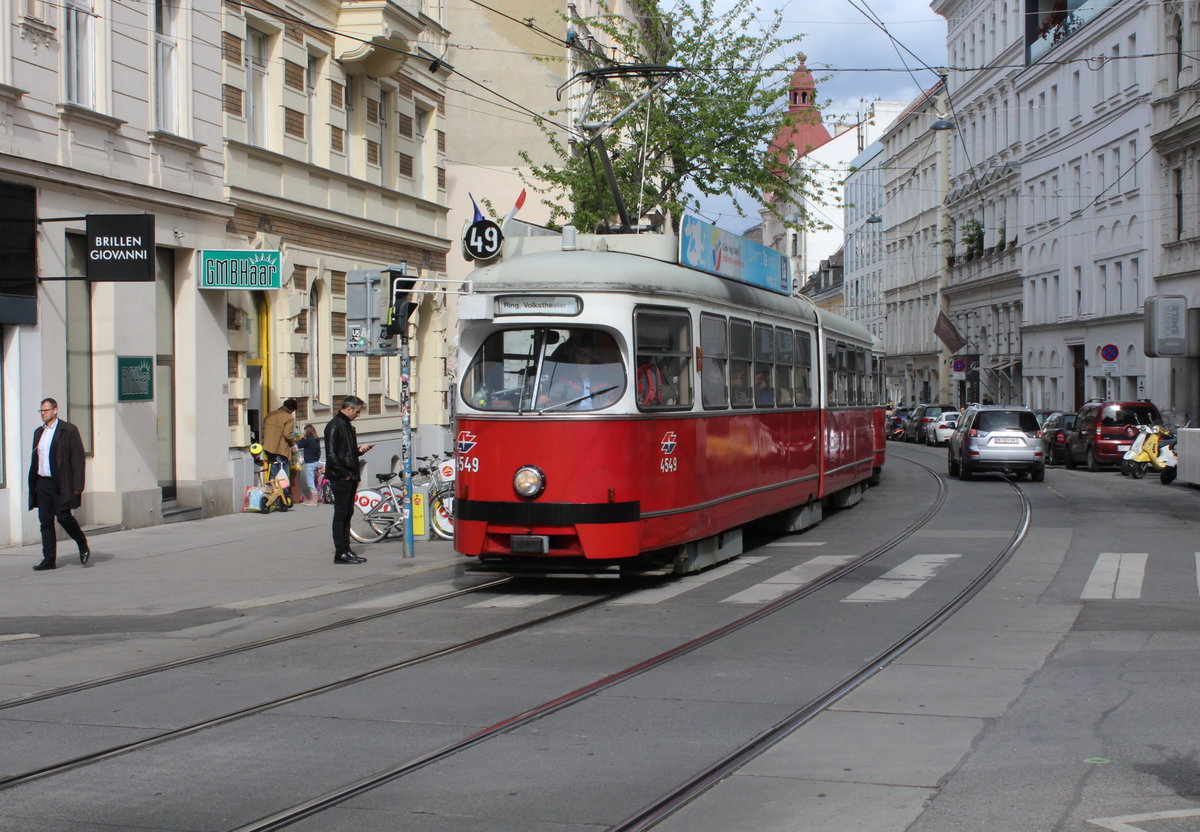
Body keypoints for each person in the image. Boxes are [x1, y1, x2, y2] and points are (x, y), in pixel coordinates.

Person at [27, 398, 89, 570]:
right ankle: (49, 559)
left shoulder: (68, 430)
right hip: (43, 482)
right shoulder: (39, 432)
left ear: (55, 410)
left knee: (63, 517)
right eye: (41, 411)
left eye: (46, 410)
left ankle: (81, 542)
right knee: (45, 521)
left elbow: (77, 458)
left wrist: (78, 485)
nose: (43, 413)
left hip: (61, 483)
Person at [323, 395, 373, 564]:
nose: (357, 415)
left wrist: (359, 451)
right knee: (341, 514)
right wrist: (344, 473)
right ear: (349, 408)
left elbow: (347, 452)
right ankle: (340, 552)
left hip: (350, 475)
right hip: (341, 477)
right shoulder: (334, 426)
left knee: (347, 514)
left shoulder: (347, 426)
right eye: (357, 411)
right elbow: (331, 454)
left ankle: (346, 549)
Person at [262, 398, 297, 485]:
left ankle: (272, 490)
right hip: (280, 449)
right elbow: (288, 435)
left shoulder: (271, 414)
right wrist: (293, 442)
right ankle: (282, 495)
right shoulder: (289, 418)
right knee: (282, 474)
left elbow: (264, 427)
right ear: (291, 409)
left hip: (268, 447)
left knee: (273, 471)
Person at [296, 424, 322, 506]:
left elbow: (299, 445)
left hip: (310, 463)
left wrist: (302, 438)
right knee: (314, 481)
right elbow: (319, 451)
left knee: (310, 482)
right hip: (315, 462)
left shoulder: (307, 439)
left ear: (307, 431)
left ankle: (314, 501)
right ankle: (312, 499)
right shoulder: (316, 439)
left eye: (304, 431)